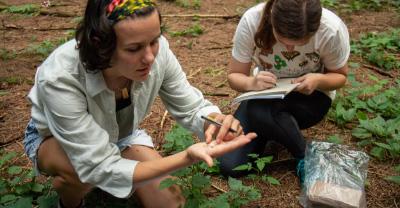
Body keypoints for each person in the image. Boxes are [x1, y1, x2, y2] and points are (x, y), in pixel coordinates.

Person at [23, 0, 257, 208]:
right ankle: (70, 202)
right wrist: (188, 157)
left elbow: (192, 107)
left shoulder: (158, 52)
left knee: (170, 201)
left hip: (122, 134)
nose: (150, 57)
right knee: (79, 172)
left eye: (154, 40)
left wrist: (214, 122)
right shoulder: (60, 76)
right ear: (100, 45)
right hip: (54, 138)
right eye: (134, 48)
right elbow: (96, 164)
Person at [218, 0, 350, 183]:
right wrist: (252, 83)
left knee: (257, 110)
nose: (290, 49)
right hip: (264, 95)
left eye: (301, 43)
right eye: (282, 41)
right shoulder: (252, 21)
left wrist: (318, 80)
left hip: (310, 98)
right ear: (272, 20)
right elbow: (234, 76)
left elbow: (340, 77)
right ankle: (277, 130)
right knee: (230, 166)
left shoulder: (331, 29)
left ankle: (303, 156)